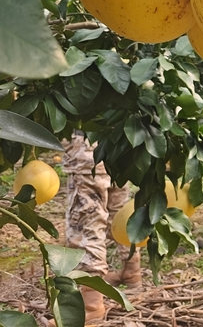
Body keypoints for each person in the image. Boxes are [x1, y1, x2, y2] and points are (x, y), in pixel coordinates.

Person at [60, 133, 143, 323]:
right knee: (119, 214)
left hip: (87, 150)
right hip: (118, 143)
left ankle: (92, 303)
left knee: (87, 221)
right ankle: (132, 271)